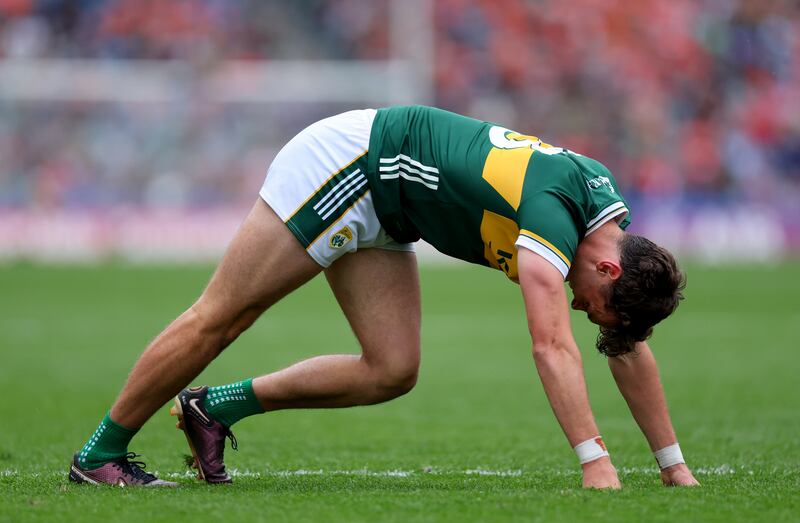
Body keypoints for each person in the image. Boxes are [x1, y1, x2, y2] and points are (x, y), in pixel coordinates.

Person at [68, 105, 699, 489]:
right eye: (596, 303)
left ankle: (215, 408)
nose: (585, 310)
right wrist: (594, 460)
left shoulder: (604, 231)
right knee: (223, 317)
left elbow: (624, 345)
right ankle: (99, 455)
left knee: (392, 369)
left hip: (391, 210)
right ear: (611, 271)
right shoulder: (556, 215)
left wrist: (672, 464)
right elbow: (551, 343)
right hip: (353, 163)